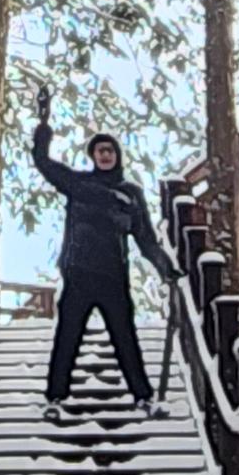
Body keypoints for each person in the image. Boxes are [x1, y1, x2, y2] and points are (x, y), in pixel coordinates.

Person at [30, 96, 177, 411]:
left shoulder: (131, 194)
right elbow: (44, 163)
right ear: (93, 156)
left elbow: (146, 239)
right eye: (100, 151)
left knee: (125, 337)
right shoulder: (78, 184)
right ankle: (55, 397)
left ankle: (143, 396)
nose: (105, 155)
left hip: (113, 275)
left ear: (117, 155)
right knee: (68, 335)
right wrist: (43, 125)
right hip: (79, 272)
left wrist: (166, 268)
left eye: (110, 151)